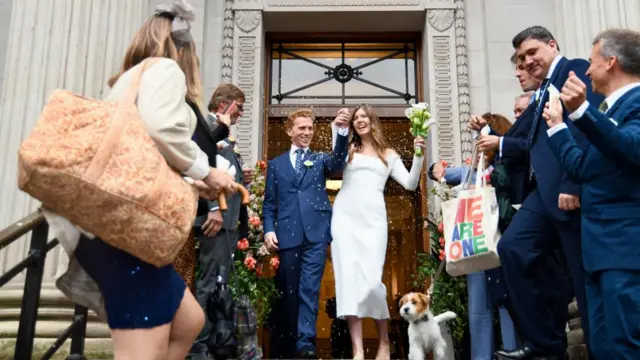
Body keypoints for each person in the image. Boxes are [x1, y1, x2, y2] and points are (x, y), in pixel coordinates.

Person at [47, 3, 238, 360]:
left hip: (117, 225)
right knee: (143, 347)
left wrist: (191, 183)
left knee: (188, 321)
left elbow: (140, 152)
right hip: (131, 234)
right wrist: (206, 171)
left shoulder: (129, 80)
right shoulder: (166, 69)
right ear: (184, 50)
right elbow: (160, 129)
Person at [494, 26, 604, 360]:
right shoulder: (542, 88)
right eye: (521, 58)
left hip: (569, 191)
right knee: (512, 248)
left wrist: (574, 183)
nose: (526, 62)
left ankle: (600, 351)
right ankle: (545, 344)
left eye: (532, 53)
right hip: (541, 193)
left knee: (586, 281)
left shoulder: (574, 70)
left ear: (552, 45)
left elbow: (590, 124)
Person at [543, 28, 640, 360]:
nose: (586, 70)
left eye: (592, 60)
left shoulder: (637, 103)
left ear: (611, 62)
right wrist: (557, 126)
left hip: (625, 251)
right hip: (597, 253)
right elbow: (583, 169)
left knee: (627, 346)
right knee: (602, 347)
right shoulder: (608, 113)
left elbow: (632, 147)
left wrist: (583, 111)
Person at [330, 104, 425, 360]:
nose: (359, 120)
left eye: (364, 116)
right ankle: (358, 350)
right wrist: (336, 129)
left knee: (373, 282)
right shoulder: (349, 149)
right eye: (356, 118)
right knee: (348, 282)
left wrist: (418, 153)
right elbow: (334, 162)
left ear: (373, 120)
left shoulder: (389, 154)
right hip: (344, 217)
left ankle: (384, 341)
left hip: (374, 220)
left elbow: (410, 183)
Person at [262, 108, 350, 359]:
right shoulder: (276, 165)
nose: (307, 132)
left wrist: (341, 131)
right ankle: (287, 344)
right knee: (288, 291)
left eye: (310, 128)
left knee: (309, 289)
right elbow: (269, 203)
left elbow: (338, 162)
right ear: (290, 131)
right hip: (287, 235)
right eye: (302, 128)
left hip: (316, 234)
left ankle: (306, 343)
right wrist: (269, 230)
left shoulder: (320, 159)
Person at [430, 113, 519, 360]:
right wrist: (435, 169)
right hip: (475, 242)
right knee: (478, 307)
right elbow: (441, 172)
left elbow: (504, 176)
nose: (479, 145)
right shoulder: (472, 170)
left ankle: (513, 352)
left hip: (501, 243)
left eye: (482, 139)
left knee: (505, 304)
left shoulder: (507, 165)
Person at [189, 83, 248, 359]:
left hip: (228, 224)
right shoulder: (207, 128)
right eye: (239, 106)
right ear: (224, 103)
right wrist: (213, 207)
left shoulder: (224, 133)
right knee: (209, 282)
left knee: (220, 284)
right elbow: (203, 164)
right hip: (215, 219)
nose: (242, 112)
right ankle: (198, 346)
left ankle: (214, 342)